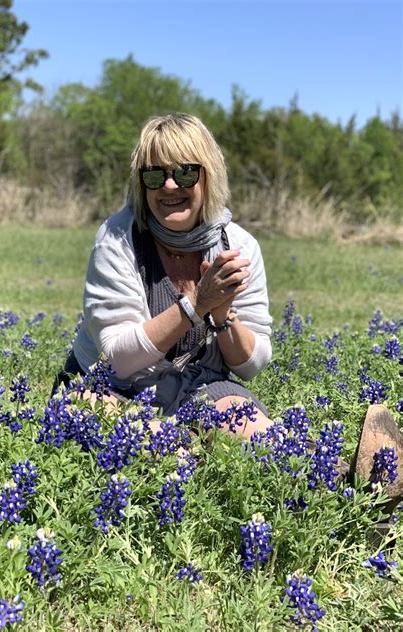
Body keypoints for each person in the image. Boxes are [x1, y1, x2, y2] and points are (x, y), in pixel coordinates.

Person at [58, 112, 274, 439]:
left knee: (262, 438)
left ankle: (359, 473)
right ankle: (179, 451)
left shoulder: (239, 246)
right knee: (109, 425)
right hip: (114, 390)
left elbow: (251, 366)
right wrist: (197, 303)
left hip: (201, 387)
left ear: (208, 176)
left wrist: (222, 314)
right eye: (154, 176)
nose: (170, 186)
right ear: (141, 183)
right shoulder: (117, 240)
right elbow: (116, 361)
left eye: (185, 173)